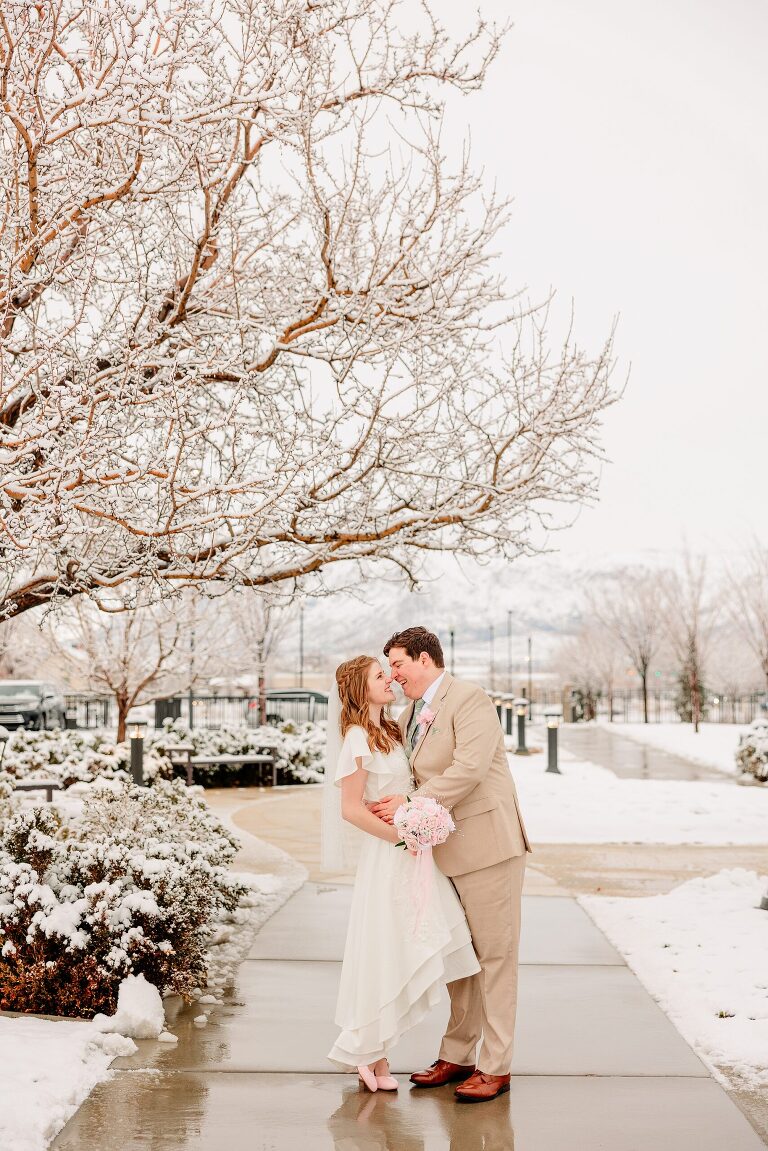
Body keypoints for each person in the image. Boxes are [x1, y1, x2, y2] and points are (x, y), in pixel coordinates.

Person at [370, 626, 531, 1104]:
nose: (395, 676)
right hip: (443, 852)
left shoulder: (469, 698)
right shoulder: (410, 712)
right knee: (462, 957)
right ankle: (457, 1054)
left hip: (488, 847)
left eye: (398, 665)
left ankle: (495, 1065)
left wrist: (411, 800)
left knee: (496, 958)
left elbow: (471, 767)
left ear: (425, 659)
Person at [324, 654, 480, 1092]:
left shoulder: (392, 728)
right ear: (361, 689)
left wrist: (417, 824)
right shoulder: (356, 739)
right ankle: (369, 1051)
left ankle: (381, 1048)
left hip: (412, 851)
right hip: (388, 853)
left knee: (413, 944)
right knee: (384, 949)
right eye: (380, 675)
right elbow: (352, 810)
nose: (390, 677)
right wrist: (400, 838)